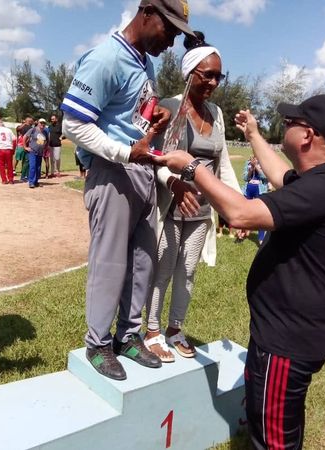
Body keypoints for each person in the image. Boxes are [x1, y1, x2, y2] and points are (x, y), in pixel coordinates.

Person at [154, 94, 325, 448]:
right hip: (283, 333)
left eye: (292, 122)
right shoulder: (324, 178)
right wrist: (253, 134)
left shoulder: (324, 188)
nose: (286, 126)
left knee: (274, 441)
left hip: (287, 342)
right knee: (279, 426)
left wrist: (193, 168)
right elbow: (280, 176)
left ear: (307, 135)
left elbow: (241, 214)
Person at [61, 0, 194, 380]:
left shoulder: (143, 62)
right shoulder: (106, 58)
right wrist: (125, 150)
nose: (170, 41)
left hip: (141, 172)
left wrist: (154, 116)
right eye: (168, 30)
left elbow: (128, 116)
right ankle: (98, 343)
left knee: (142, 261)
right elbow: (73, 124)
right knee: (109, 262)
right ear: (147, 12)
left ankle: (128, 335)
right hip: (113, 170)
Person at [144, 32, 241, 363]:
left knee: (187, 272)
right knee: (163, 269)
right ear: (190, 74)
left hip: (201, 212)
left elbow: (222, 162)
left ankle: (175, 329)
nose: (214, 82)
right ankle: (153, 331)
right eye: (207, 74)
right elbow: (156, 160)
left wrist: (234, 206)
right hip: (172, 206)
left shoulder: (216, 113)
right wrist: (174, 184)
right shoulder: (169, 108)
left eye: (218, 76)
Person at [241, 155, 268, 244]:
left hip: (260, 190)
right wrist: (251, 168)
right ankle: (243, 232)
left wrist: (256, 166)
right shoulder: (248, 162)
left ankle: (261, 239)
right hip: (248, 190)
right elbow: (245, 178)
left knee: (260, 215)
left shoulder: (264, 162)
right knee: (245, 213)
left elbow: (265, 177)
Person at [24, 118, 49, 188]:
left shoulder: (45, 132)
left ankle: (36, 181)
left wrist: (45, 148)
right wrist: (25, 147)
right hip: (32, 151)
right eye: (41, 123)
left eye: (44, 123)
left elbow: (47, 141)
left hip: (40, 152)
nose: (42, 124)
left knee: (38, 168)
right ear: (38, 123)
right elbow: (25, 137)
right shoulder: (33, 130)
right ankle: (31, 182)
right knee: (32, 167)